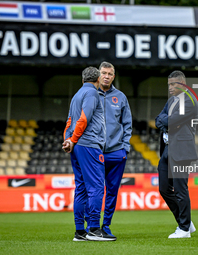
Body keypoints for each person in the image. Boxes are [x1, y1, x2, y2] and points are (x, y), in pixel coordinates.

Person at [62, 66, 115, 241]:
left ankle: (80, 231)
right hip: (90, 145)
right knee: (97, 187)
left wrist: (69, 140)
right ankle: (93, 228)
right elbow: (84, 118)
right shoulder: (93, 94)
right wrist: (75, 138)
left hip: (77, 145)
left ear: (82, 80)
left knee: (82, 188)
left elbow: (70, 120)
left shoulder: (77, 95)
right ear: (98, 79)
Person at [85, 61, 132, 240]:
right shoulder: (90, 95)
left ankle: (106, 226)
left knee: (112, 191)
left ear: (114, 76)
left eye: (109, 74)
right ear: (98, 75)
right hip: (94, 151)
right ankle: (92, 226)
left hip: (116, 152)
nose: (106, 76)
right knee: (94, 190)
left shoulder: (120, 97)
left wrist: (125, 147)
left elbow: (127, 124)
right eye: (103, 73)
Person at [155, 70, 198, 238]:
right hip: (167, 149)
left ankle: (184, 229)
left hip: (181, 150)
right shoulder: (172, 100)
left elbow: (169, 120)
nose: (170, 88)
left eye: (174, 84)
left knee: (180, 189)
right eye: (169, 85)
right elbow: (159, 119)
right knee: (164, 188)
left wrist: (166, 121)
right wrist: (166, 121)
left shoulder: (190, 101)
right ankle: (185, 220)